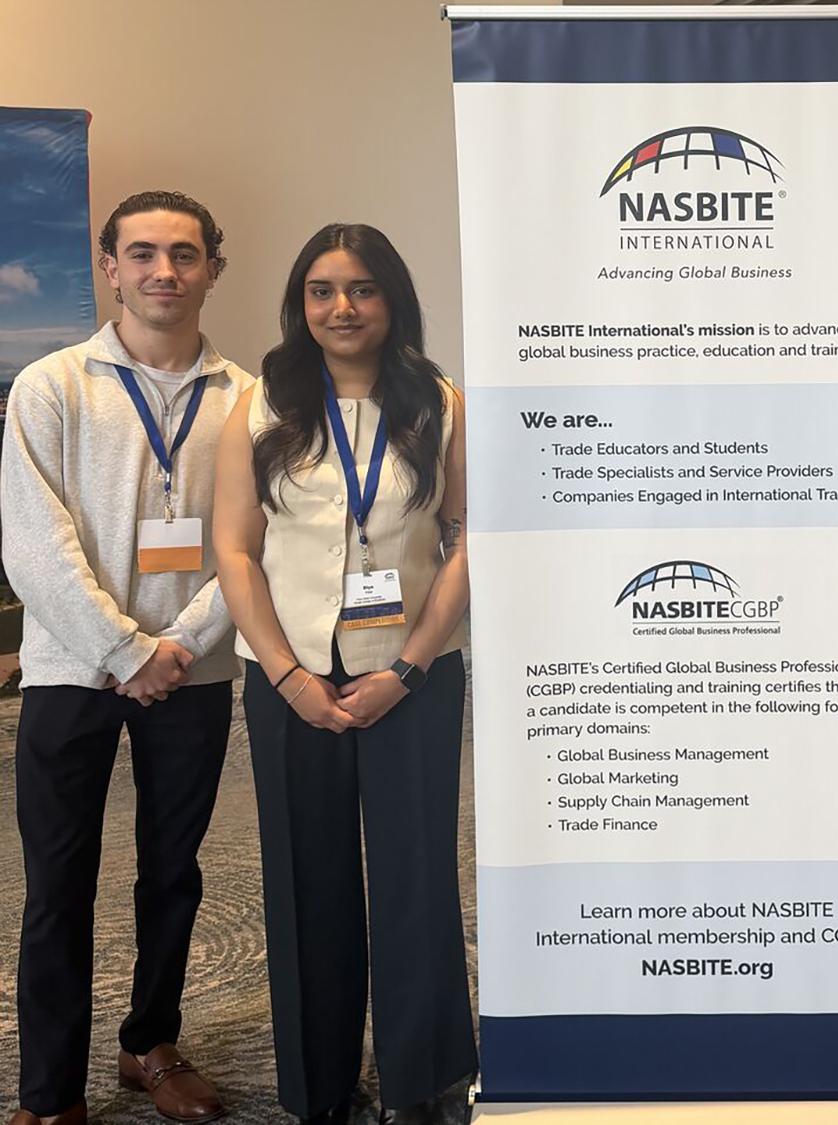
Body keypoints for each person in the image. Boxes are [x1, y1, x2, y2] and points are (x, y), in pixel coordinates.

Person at [213, 223, 474, 1125]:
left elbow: (465, 537)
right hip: (293, 683)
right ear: (301, 303)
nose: (342, 307)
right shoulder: (258, 402)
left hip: (412, 677)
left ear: (392, 297)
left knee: (416, 877)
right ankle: (319, 1086)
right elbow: (235, 551)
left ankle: (421, 1077)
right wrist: (287, 676)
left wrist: (410, 666)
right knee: (305, 880)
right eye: (322, 290)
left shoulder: (438, 401)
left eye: (361, 288)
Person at [1, 191, 252, 1125]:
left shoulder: (249, 399)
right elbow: (32, 542)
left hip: (191, 671)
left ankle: (149, 1043)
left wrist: (178, 645)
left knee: (173, 870)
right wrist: (121, 647)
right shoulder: (52, 384)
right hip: (73, 669)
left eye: (184, 255)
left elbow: (250, 542)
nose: (163, 272)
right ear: (109, 266)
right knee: (57, 883)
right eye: (141, 253)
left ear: (211, 270)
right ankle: (49, 1094)